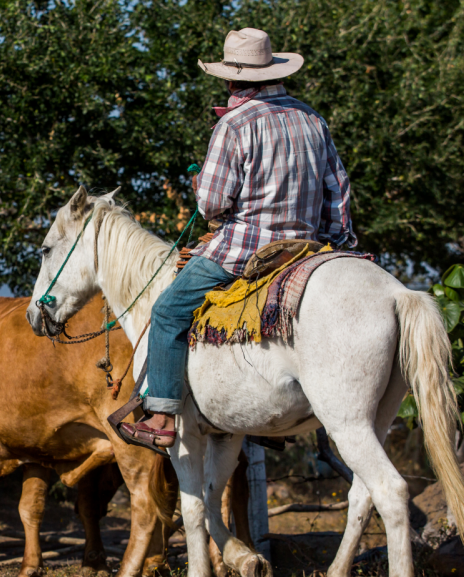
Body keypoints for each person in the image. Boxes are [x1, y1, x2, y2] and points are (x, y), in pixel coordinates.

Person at [118, 28, 356, 452]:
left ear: (231, 80)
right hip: (306, 249)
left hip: (245, 251)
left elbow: (212, 205)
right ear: (273, 72)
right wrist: (338, 244)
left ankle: (161, 415)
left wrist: (198, 186)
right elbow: (337, 188)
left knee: (169, 312)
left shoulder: (233, 124)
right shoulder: (312, 119)